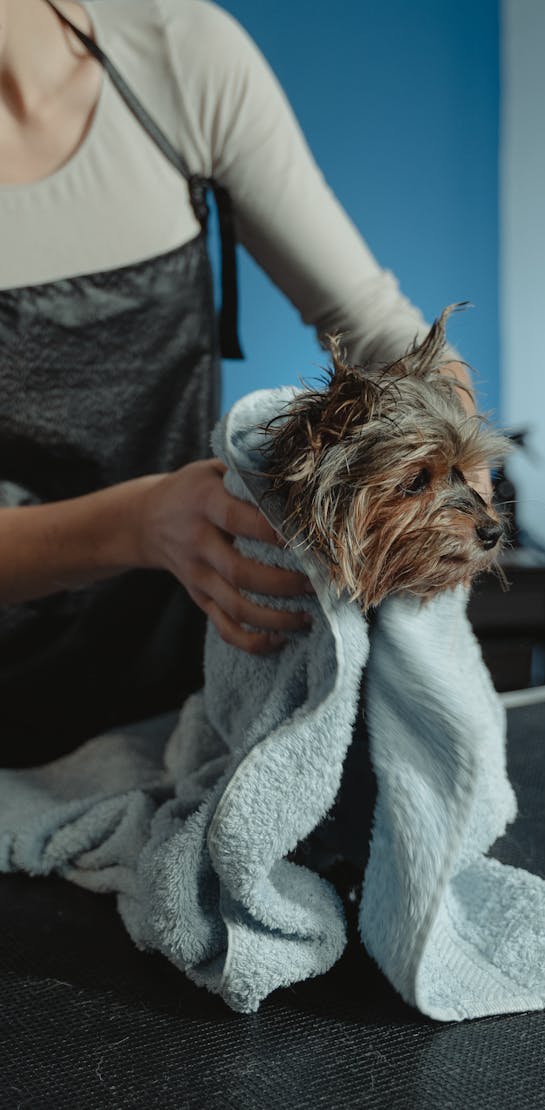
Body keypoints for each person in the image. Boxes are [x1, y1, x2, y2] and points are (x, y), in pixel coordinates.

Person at [0, 0, 485, 765]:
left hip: (179, 669)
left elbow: (376, 326)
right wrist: (139, 522)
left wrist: (452, 463)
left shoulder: (177, 56)